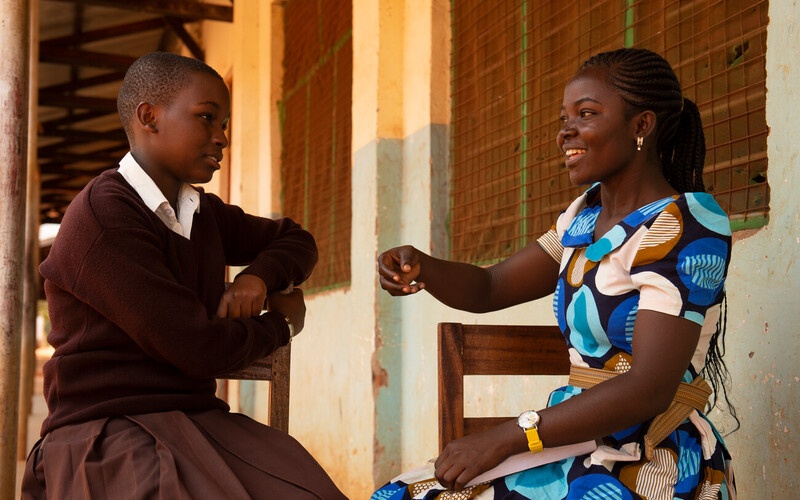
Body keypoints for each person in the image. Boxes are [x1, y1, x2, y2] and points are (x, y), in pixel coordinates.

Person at [372, 48, 736, 499]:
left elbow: (649, 388)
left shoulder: (686, 224)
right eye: (564, 118)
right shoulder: (581, 219)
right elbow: (491, 286)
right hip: (572, 440)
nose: (566, 132)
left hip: (649, 455)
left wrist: (505, 436)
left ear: (642, 126)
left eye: (586, 114)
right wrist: (423, 267)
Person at [22, 52, 346, 499]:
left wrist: (257, 278)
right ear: (149, 117)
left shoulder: (200, 212)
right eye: (207, 118)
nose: (222, 138)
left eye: (225, 124)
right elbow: (196, 346)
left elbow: (296, 240)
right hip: (106, 430)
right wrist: (281, 324)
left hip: (195, 418)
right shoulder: (105, 216)